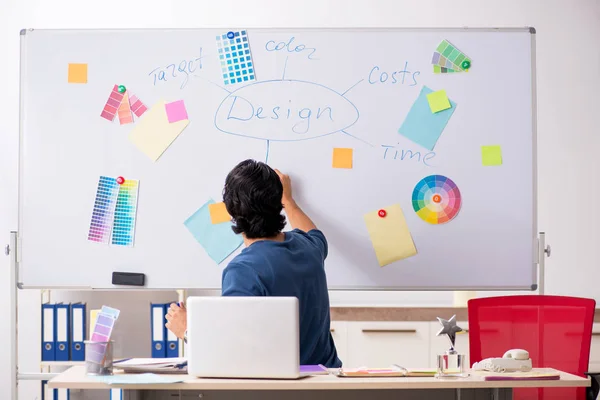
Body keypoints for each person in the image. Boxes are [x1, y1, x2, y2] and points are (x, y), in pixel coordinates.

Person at [165, 159, 341, 368]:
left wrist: (186, 329)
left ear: (230, 211)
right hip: (327, 382)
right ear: (278, 205)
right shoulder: (310, 248)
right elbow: (312, 231)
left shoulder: (243, 270)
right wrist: (289, 200)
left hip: (279, 388)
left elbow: (231, 351)